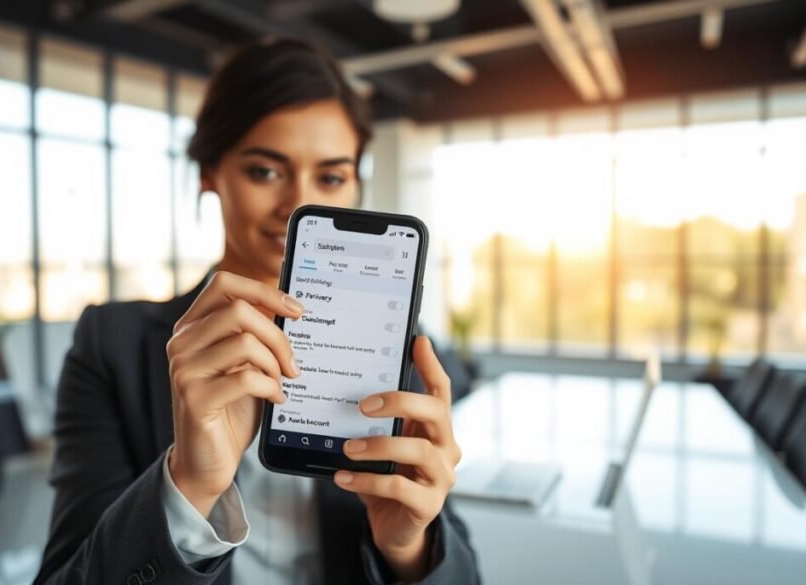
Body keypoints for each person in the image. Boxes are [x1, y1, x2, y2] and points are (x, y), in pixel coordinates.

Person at [32, 38, 480, 585]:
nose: (297, 201)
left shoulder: (394, 348)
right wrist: (189, 488)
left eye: (331, 177)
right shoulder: (111, 344)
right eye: (265, 171)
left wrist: (408, 548)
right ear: (208, 173)